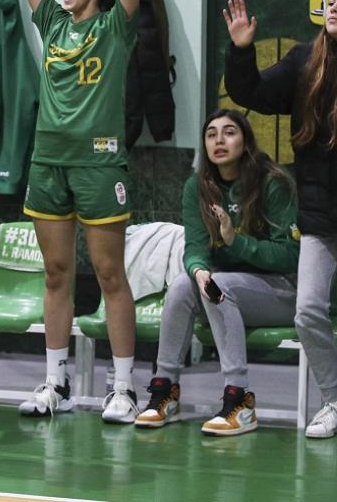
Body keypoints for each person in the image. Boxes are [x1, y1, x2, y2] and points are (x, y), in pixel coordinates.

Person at [0, 0, 157, 423]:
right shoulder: (52, 23)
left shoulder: (116, 29)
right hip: (48, 163)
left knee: (110, 274)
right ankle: (55, 383)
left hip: (99, 164)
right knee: (57, 274)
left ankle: (123, 387)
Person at [223, 0, 337, 439]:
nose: (333, 7)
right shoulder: (303, 60)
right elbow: (252, 92)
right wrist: (240, 50)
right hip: (321, 212)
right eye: (331, 1)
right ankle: (335, 402)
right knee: (308, 310)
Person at [134, 109, 299, 435]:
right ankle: (166, 390)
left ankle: (240, 400)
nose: (219, 140)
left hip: (282, 290)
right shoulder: (198, 186)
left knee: (220, 285)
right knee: (183, 285)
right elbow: (194, 247)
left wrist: (234, 242)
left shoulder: (273, 183)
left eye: (229, 132)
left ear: (245, 140)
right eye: (211, 134)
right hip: (228, 289)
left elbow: (290, 256)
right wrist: (198, 272)